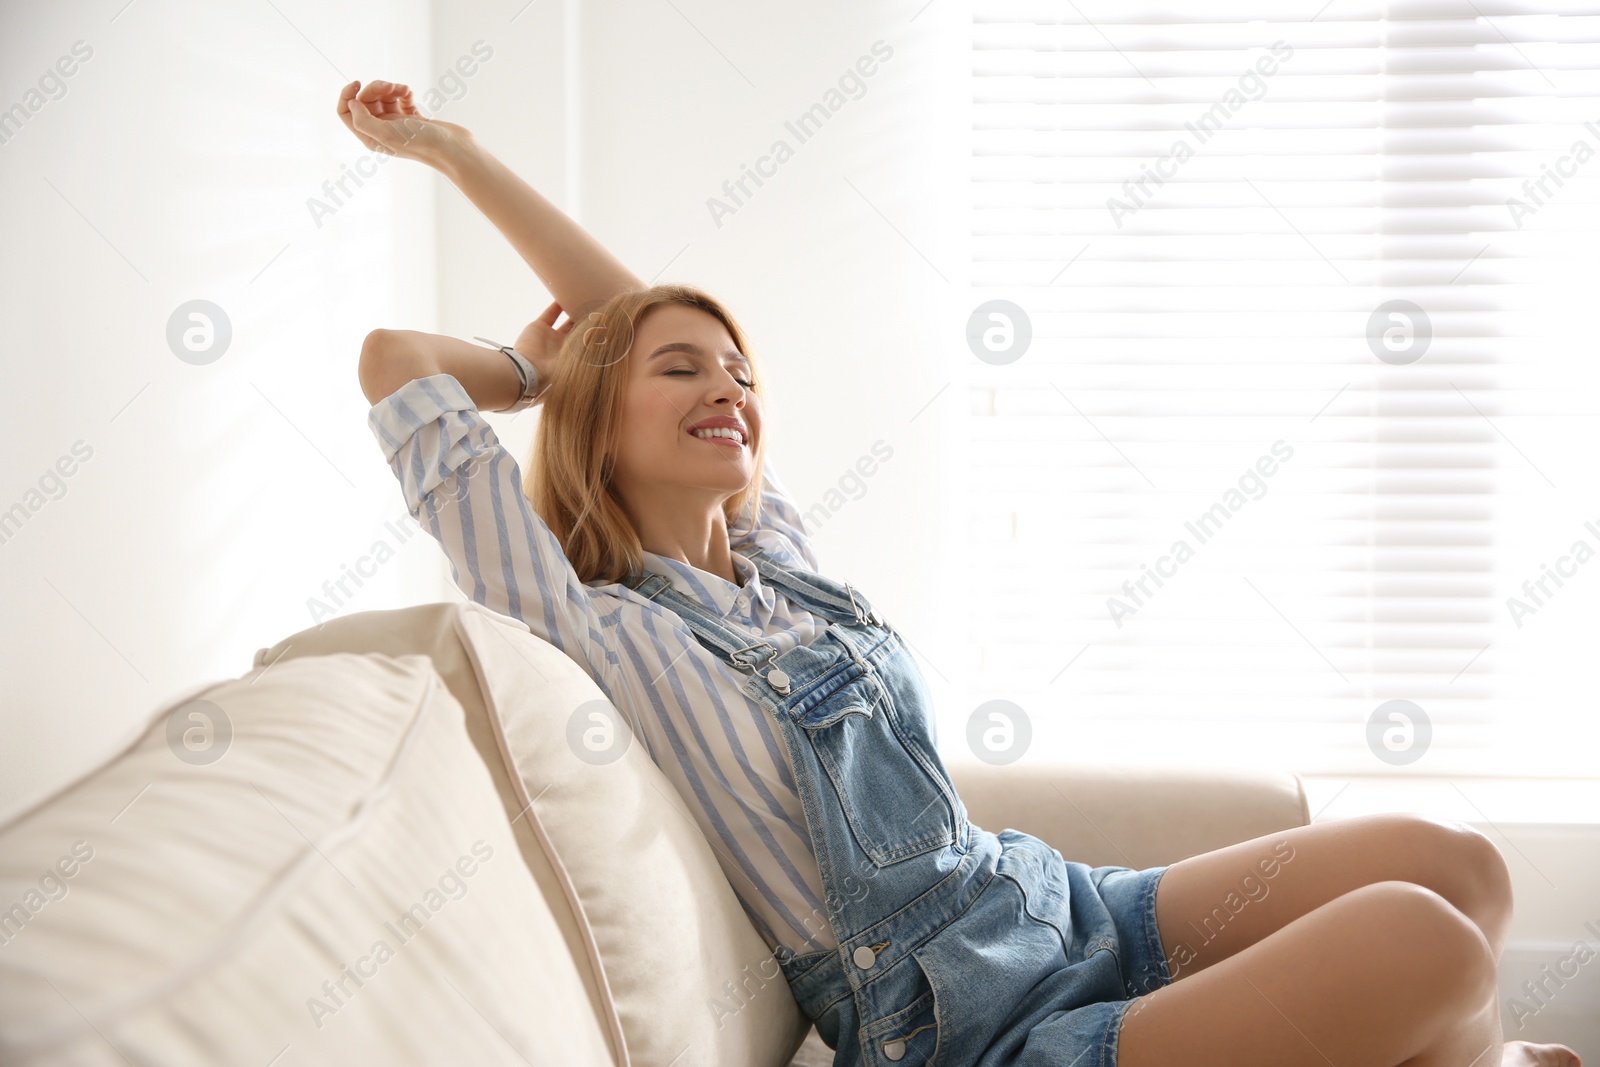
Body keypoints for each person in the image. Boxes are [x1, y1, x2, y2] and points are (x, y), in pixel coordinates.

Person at [337, 77, 1582, 1067]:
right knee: (1426, 943)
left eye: (740, 372)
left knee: (1457, 862)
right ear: (600, 415)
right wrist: (529, 344)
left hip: (1065, 908)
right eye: (678, 373)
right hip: (979, 1028)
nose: (727, 385)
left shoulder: (784, 568)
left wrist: (613, 341)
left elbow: (643, 315)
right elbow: (397, 357)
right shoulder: (588, 618)